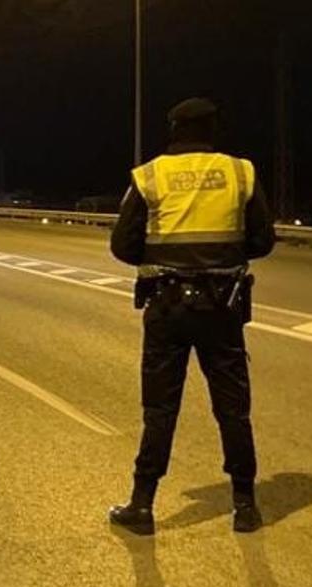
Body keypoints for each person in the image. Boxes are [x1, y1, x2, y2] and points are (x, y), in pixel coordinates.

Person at [108, 98, 276, 536]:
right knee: (233, 408)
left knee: (160, 408)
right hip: (222, 307)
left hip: (167, 306)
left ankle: (142, 506)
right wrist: (222, 255)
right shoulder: (242, 173)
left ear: (173, 129)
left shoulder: (150, 176)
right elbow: (262, 240)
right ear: (213, 129)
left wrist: (167, 255)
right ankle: (245, 505)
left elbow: (123, 246)